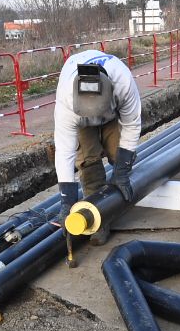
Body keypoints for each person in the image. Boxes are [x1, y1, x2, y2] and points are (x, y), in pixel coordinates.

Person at [54, 49, 141, 244]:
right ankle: (100, 216)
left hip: (111, 115)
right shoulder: (67, 102)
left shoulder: (123, 83)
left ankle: (117, 199)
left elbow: (132, 125)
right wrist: (67, 201)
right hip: (80, 120)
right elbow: (64, 151)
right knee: (89, 163)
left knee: (119, 156)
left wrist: (122, 171)